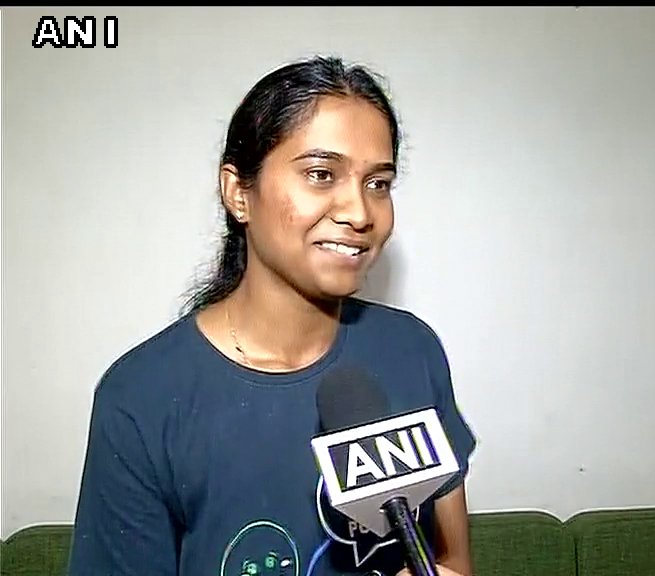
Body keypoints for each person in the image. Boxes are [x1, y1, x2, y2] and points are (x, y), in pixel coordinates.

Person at [67, 55, 477, 576]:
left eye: (378, 183)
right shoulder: (142, 396)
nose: (360, 213)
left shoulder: (410, 351)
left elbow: (453, 560)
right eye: (321, 174)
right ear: (238, 192)